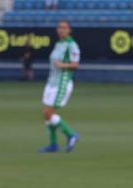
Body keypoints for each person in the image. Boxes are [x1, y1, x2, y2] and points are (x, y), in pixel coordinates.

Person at [39, 20, 80, 153]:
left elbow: (75, 64)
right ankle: (53, 144)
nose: (61, 30)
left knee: (49, 113)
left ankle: (71, 134)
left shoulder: (71, 45)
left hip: (62, 82)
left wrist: (63, 65)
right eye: (59, 27)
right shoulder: (58, 44)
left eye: (64, 28)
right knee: (46, 114)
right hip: (51, 82)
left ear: (69, 30)